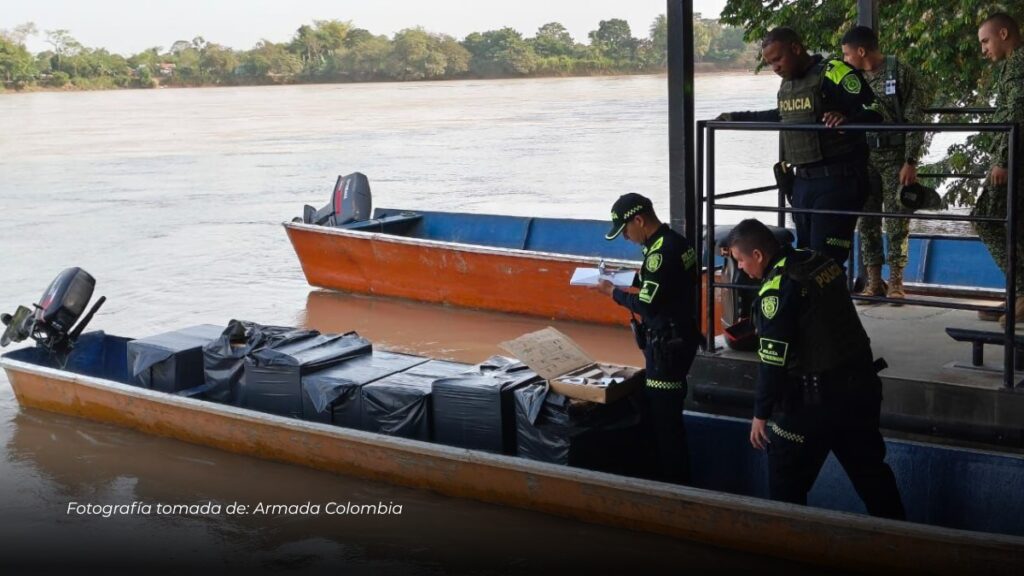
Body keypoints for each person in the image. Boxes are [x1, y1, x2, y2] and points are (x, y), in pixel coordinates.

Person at [725, 218, 905, 519]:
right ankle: (901, 538)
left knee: (785, 485)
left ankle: (787, 542)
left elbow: (773, 363)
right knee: (873, 476)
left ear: (758, 255)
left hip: (813, 403)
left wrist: (760, 414)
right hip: (861, 389)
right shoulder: (817, 261)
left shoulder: (776, 290)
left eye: (740, 260)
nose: (741, 268)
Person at [718, 27, 882, 268]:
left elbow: (875, 110)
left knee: (825, 261)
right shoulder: (788, 86)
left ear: (795, 48)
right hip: (802, 183)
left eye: (778, 59)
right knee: (804, 257)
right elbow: (781, 116)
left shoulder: (834, 72)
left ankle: (834, 294)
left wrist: (848, 120)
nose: (775, 67)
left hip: (838, 181)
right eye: (770, 63)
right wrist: (736, 118)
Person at [594, 193, 699, 484]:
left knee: (665, 424)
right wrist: (620, 277)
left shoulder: (659, 254)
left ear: (639, 220)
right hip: (682, 337)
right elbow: (661, 283)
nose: (626, 237)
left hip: (667, 348)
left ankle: (675, 487)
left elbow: (647, 305)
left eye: (626, 230)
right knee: (669, 417)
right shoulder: (674, 243)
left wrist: (612, 293)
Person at [842, 26, 931, 304]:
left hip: (895, 157)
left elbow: (916, 119)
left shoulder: (900, 72)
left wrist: (910, 161)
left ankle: (896, 283)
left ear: (861, 51)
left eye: (847, 54)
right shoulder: (850, 79)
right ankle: (873, 282)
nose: (845, 60)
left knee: (897, 221)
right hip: (863, 156)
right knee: (867, 220)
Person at [976, 13, 1024, 325]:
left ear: (1003, 34)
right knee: (1013, 225)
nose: (983, 49)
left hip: (1015, 159)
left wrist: (1003, 160)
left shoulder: (1018, 64)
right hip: (1013, 156)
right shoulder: (1011, 65)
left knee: (986, 218)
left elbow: (1018, 113)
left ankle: (1021, 291)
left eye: (986, 41)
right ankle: (1017, 292)